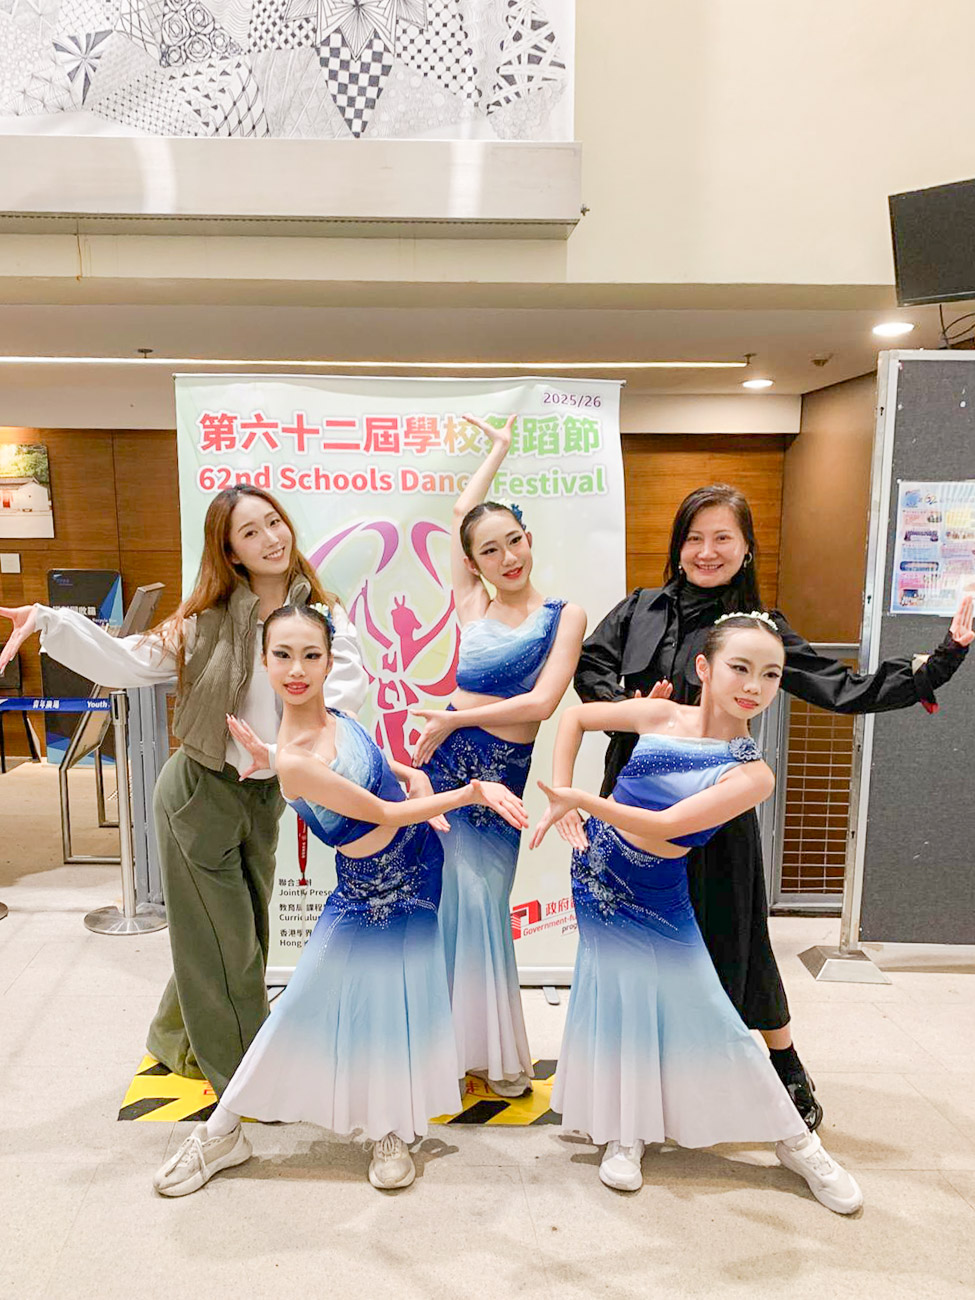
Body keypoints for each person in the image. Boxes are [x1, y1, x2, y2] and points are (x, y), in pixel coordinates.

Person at [573, 483, 973, 1128]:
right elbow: (591, 667)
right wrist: (628, 702)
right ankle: (646, 1078)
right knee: (638, 937)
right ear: (677, 546)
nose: (706, 551)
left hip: (718, 800)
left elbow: (841, 687)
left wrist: (938, 663)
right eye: (694, 538)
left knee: (733, 931)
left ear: (747, 548)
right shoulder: (640, 607)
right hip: (636, 790)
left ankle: (781, 1062)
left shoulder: (761, 628)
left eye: (722, 538)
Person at [0, 484, 368, 1097]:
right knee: (229, 944)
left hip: (266, 796)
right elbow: (131, 659)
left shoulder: (323, 616)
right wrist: (49, 621)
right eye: (250, 532)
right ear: (230, 552)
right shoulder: (204, 622)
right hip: (200, 791)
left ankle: (173, 1037)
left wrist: (298, 756)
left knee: (234, 930)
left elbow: (345, 693)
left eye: (273, 522)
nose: (271, 538)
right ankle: (245, 1077)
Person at [152, 604, 528, 1196]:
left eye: (310, 655)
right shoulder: (294, 759)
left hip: (416, 874)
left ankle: (391, 1128)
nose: (296, 670)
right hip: (367, 895)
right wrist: (470, 793)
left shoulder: (336, 718)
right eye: (282, 655)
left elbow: (374, 767)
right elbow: (381, 813)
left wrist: (414, 775)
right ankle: (222, 1132)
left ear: (330, 661)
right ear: (264, 661)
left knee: (397, 1005)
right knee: (299, 1011)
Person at [532, 613, 863, 1212]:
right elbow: (575, 718)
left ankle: (795, 1140)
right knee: (620, 1002)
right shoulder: (660, 715)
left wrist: (581, 799)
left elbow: (664, 824)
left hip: (658, 894)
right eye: (740, 667)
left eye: (771, 674)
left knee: (710, 1013)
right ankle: (625, 1129)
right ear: (704, 668)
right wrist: (565, 795)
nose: (754, 686)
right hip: (597, 876)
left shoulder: (752, 774)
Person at [410, 413, 586, 1098]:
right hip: (444, 768)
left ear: (528, 540)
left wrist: (457, 713)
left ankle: (491, 1055)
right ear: (474, 562)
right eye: (489, 550)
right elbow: (460, 513)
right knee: (441, 902)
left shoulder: (563, 615)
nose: (507, 557)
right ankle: (440, 1052)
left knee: (482, 906)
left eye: (513, 540)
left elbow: (540, 704)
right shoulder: (471, 604)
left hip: (499, 777)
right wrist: (496, 453)